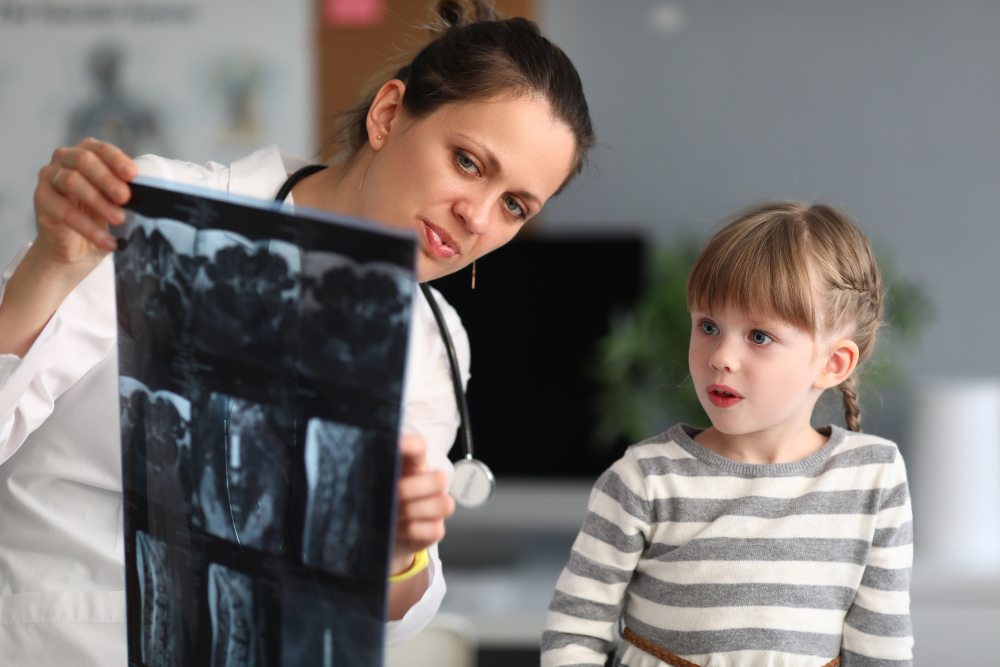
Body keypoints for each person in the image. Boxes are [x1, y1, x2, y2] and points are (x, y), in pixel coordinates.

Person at [0, 1, 594, 664]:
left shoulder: (432, 345)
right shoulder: (160, 214)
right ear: (389, 114)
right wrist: (49, 270)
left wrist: (397, 549)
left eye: (515, 206)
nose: (477, 217)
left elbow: (374, 612)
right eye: (468, 162)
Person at [541, 202, 913, 667]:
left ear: (831, 364)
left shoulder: (873, 477)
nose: (721, 356)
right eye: (709, 326)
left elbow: (881, 649)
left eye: (759, 336)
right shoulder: (645, 478)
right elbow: (574, 631)